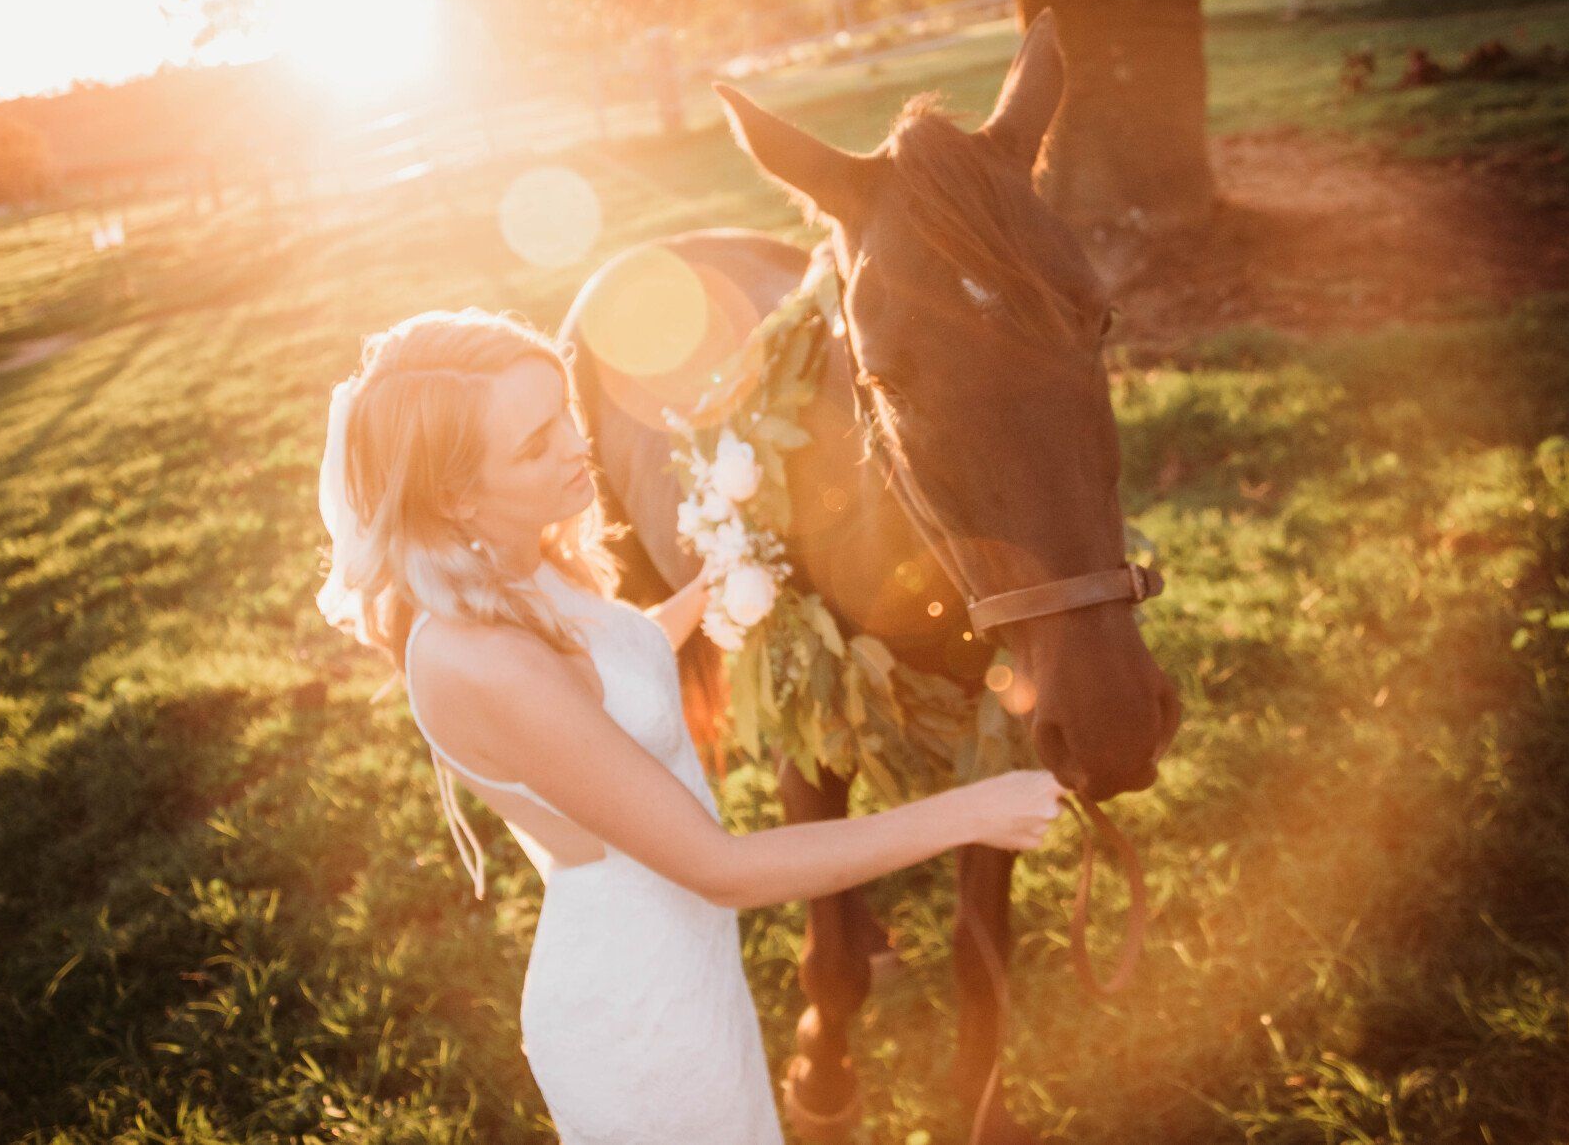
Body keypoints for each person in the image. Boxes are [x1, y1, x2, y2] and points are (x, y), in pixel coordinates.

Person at [314, 305, 1069, 1144]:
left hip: (685, 963)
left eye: (562, 409)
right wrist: (973, 812)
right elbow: (723, 869)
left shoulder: (518, 562)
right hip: (636, 1016)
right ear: (455, 495)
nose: (575, 444)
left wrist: (722, 581)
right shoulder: (485, 659)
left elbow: (615, 664)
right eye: (534, 444)